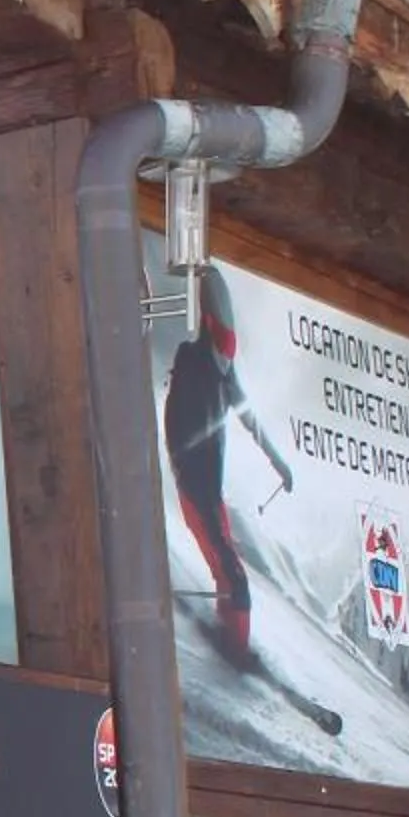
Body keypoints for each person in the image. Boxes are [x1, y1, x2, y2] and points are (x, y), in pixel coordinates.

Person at [164, 265, 293, 656]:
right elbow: (174, 417)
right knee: (231, 571)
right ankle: (233, 645)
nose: (225, 361)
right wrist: (180, 463)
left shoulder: (220, 372)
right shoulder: (194, 362)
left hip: (207, 487)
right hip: (195, 486)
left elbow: (252, 423)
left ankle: (231, 633)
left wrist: (280, 464)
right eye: (223, 353)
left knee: (228, 567)